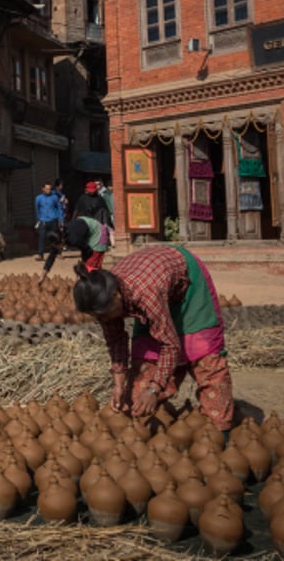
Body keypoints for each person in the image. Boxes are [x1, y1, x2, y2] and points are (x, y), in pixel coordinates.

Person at [71, 245, 234, 431]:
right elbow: (116, 340)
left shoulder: (145, 294)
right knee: (138, 396)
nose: (104, 320)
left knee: (205, 359)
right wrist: (118, 385)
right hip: (153, 290)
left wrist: (154, 389)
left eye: (105, 315)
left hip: (186, 288)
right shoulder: (104, 299)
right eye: (98, 317)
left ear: (116, 295)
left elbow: (170, 345)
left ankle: (222, 431)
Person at [39, 216, 110, 283]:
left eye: (57, 246)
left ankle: (102, 285)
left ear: (62, 241)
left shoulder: (74, 239)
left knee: (91, 266)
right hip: (84, 230)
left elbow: (87, 250)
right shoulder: (57, 238)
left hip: (97, 232)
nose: (57, 248)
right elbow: (51, 257)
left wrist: (82, 267)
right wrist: (43, 276)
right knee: (86, 270)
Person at [33, 181, 64, 261]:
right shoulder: (38, 198)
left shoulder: (55, 197)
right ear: (43, 189)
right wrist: (38, 220)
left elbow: (59, 208)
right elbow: (37, 210)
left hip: (53, 220)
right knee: (41, 238)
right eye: (47, 189)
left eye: (50, 189)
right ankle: (40, 254)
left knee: (55, 238)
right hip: (43, 221)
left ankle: (58, 253)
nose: (48, 190)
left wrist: (61, 220)